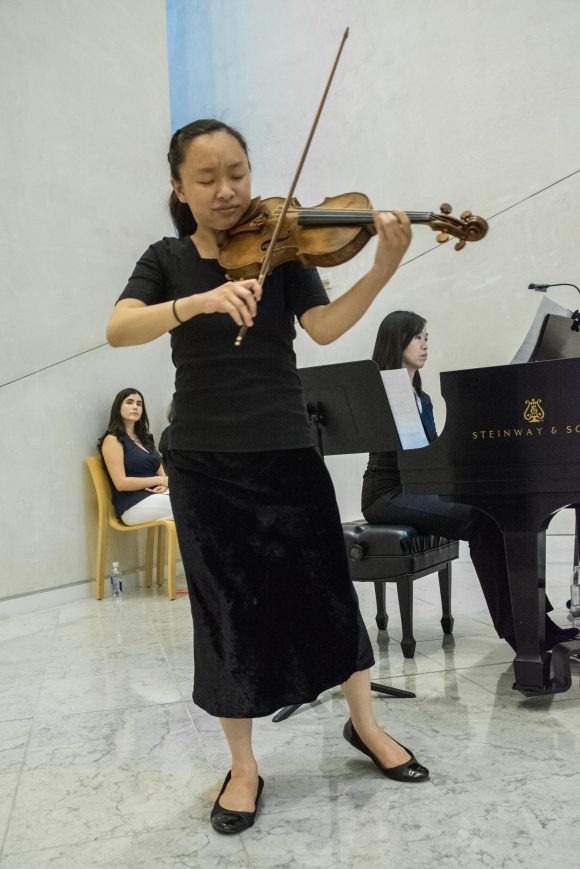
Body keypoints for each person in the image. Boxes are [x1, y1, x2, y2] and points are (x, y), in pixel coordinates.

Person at [105, 118, 429, 835]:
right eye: (208, 178)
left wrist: (381, 268)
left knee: (328, 591)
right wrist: (200, 301)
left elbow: (321, 328)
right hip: (205, 463)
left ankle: (365, 726)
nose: (228, 191)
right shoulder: (166, 259)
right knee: (227, 612)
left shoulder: (281, 247)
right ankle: (244, 766)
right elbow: (119, 326)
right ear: (178, 188)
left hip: (286, 449)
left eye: (239, 173)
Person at [362, 310, 579, 651]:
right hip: (386, 494)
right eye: (417, 337)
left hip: (414, 488)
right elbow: (410, 457)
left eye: (427, 338)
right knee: (481, 519)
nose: (425, 344)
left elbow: (430, 455)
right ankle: (519, 631)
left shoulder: (423, 398)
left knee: (495, 514)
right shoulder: (385, 392)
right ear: (397, 340)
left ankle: (535, 622)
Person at [98, 387, 173, 525]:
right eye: (130, 402)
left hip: (156, 497)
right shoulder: (113, 440)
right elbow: (121, 483)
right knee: (186, 507)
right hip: (132, 505)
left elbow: (164, 477)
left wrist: (164, 484)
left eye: (139, 404)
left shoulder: (145, 440)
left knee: (195, 500)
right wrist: (159, 481)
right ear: (118, 408)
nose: (135, 407)